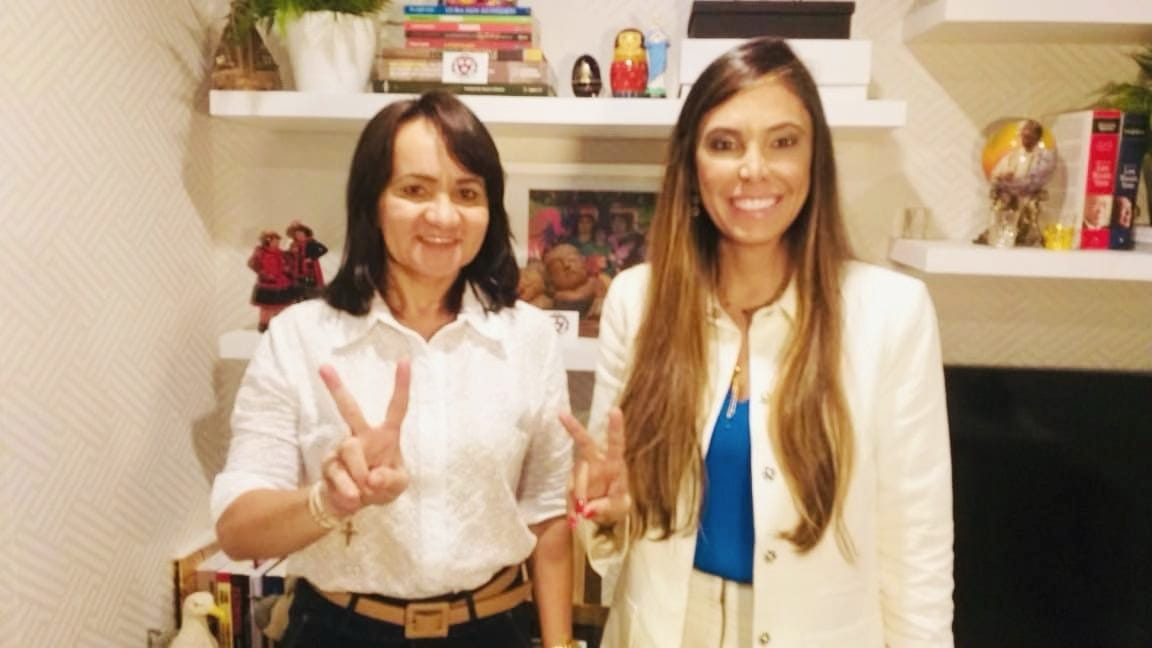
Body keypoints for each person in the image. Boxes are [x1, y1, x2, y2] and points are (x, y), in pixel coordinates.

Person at [561, 38, 954, 647]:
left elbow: (917, 546)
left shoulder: (890, 314)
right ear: (692, 167)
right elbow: (611, 528)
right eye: (724, 144)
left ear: (814, 160)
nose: (753, 169)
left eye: (783, 142)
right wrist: (605, 514)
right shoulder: (637, 300)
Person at [212, 91, 576, 648]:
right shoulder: (301, 336)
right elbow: (237, 530)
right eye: (414, 190)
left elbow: (547, 518)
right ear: (372, 203)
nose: (443, 216)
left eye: (467, 193)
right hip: (337, 631)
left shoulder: (529, 337)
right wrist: (329, 501)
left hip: (493, 628)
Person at [247, 230, 295, 332]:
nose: (277, 242)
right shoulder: (260, 252)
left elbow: (288, 264)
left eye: (278, 240)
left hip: (281, 283)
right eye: (275, 240)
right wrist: (264, 273)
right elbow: (252, 263)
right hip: (267, 284)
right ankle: (264, 325)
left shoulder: (282, 253)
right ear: (267, 241)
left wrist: (286, 271)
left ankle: (278, 325)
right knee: (266, 307)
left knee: (280, 306)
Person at [285, 220, 328, 300]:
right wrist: (291, 253)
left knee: (310, 283)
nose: (299, 236)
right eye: (297, 235)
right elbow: (290, 255)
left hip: (310, 268)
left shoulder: (311, 242)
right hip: (297, 268)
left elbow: (324, 249)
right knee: (299, 283)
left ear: (305, 234)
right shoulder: (293, 244)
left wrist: (312, 258)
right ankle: (299, 297)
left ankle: (311, 298)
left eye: (301, 234)